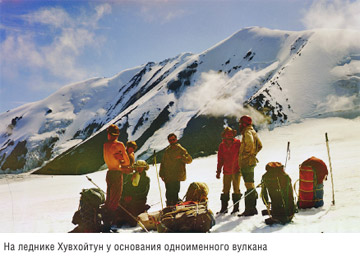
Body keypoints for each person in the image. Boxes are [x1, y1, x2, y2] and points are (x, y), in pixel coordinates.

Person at [102, 124, 131, 226]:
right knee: (115, 199)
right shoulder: (119, 145)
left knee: (109, 198)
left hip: (109, 173)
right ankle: (109, 223)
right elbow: (127, 162)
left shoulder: (105, 145)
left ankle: (106, 220)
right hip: (117, 173)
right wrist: (121, 159)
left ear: (108, 134)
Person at [237, 115, 262, 216]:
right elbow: (260, 145)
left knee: (249, 186)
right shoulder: (252, 131)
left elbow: (250, 144)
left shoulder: (247, 132)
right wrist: (253, 154)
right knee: (250, 184)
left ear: (244, 124)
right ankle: (252, 208)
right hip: (251, 162)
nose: (239, 125)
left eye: (240, 123)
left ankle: (250, 209)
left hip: (247, 163)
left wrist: (246, 155)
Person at [159, 133, 192, 206]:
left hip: (177, 175)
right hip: (168, 176)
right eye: (170, 140)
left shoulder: (181, 150)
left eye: (173, 139)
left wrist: (182, 157)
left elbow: (189, 160)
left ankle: (174, 207)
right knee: (168, 193)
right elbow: (163, 163)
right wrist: (161, 174)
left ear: (176, 139)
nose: (172, 141)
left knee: (175, 192)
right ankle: (169, 206)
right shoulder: (167, 151)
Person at [216, 127, 242, 214]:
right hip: (227, 171)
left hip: (236, 170)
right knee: (225, 190)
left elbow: (242, 154)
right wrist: (218, 171)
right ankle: (224, 209)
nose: (229, 135)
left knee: (236, 189)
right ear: (225, 135)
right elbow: (220, 159)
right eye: (228, 133)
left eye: (231, 133)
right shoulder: (222, 145)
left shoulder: (238, 143)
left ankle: (236, 209)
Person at [118, 160, 151, 227]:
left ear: (144, 168)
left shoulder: (146, 179)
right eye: (137, 167)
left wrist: (132, 197)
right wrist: (125, 195)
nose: (139, 169)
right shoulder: (131, 176)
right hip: (128, 198)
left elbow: (143, 192)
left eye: (141, 167)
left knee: (132, 221)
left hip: (139, 199)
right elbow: (124, 188)